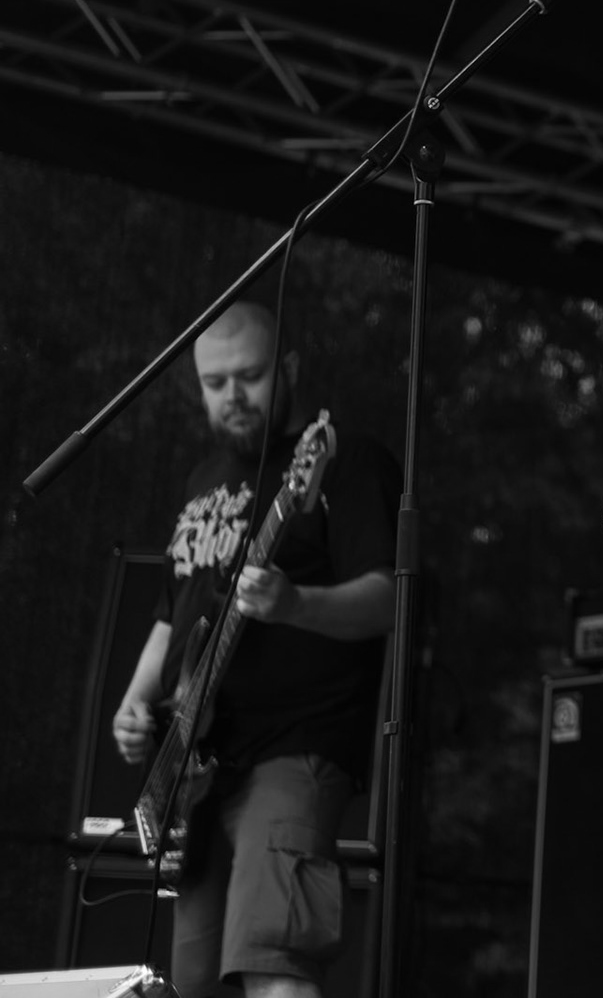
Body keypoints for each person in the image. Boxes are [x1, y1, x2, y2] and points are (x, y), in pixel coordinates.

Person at [111, 301, 401, 998]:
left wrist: (295, 604)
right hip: (200, 772)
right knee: (192, 985)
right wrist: (135, 701)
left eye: (250, 376)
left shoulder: (343, 460)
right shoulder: (201, 480)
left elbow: (388, 600)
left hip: (293, 748)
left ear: (289, 368)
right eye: (215, 383)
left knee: (275, 965)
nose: (233, 395)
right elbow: (171, 615)